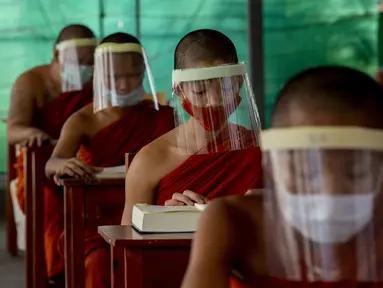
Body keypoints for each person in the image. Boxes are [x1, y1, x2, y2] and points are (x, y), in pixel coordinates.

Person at [181, 66, 383, 288]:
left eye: (357, 172)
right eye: (305, 171)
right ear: (273, 165)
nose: (329, 193)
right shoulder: (235, 220)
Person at [44, 32, 174, 288]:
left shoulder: (164, 117)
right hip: (98, 218)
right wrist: (64, 164)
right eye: (115, 77)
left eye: (133, 75)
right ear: (100, 76)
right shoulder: (84, 119)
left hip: (152, 211)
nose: (124, 85)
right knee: (98, 261)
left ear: (143, 71)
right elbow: (52, 162)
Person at [121, 29, 263, 225]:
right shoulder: (151, 160)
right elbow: (127, 242)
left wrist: (265, 204)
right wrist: (165, 219)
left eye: (225, 88)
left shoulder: (258, 148)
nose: (214, 101)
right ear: (179, 92)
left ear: (239, 83)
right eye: (200, 91)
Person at [7, 24, 96, 250]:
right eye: (79, 61)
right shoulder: (30, 82)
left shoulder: (96, 83)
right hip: (40, 166)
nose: (86, 68)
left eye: (91, 62)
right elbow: (13, 130)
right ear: (57, 54)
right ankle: (57, 269)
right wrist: (33, 133)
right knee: (48, 202)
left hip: (84, 160)